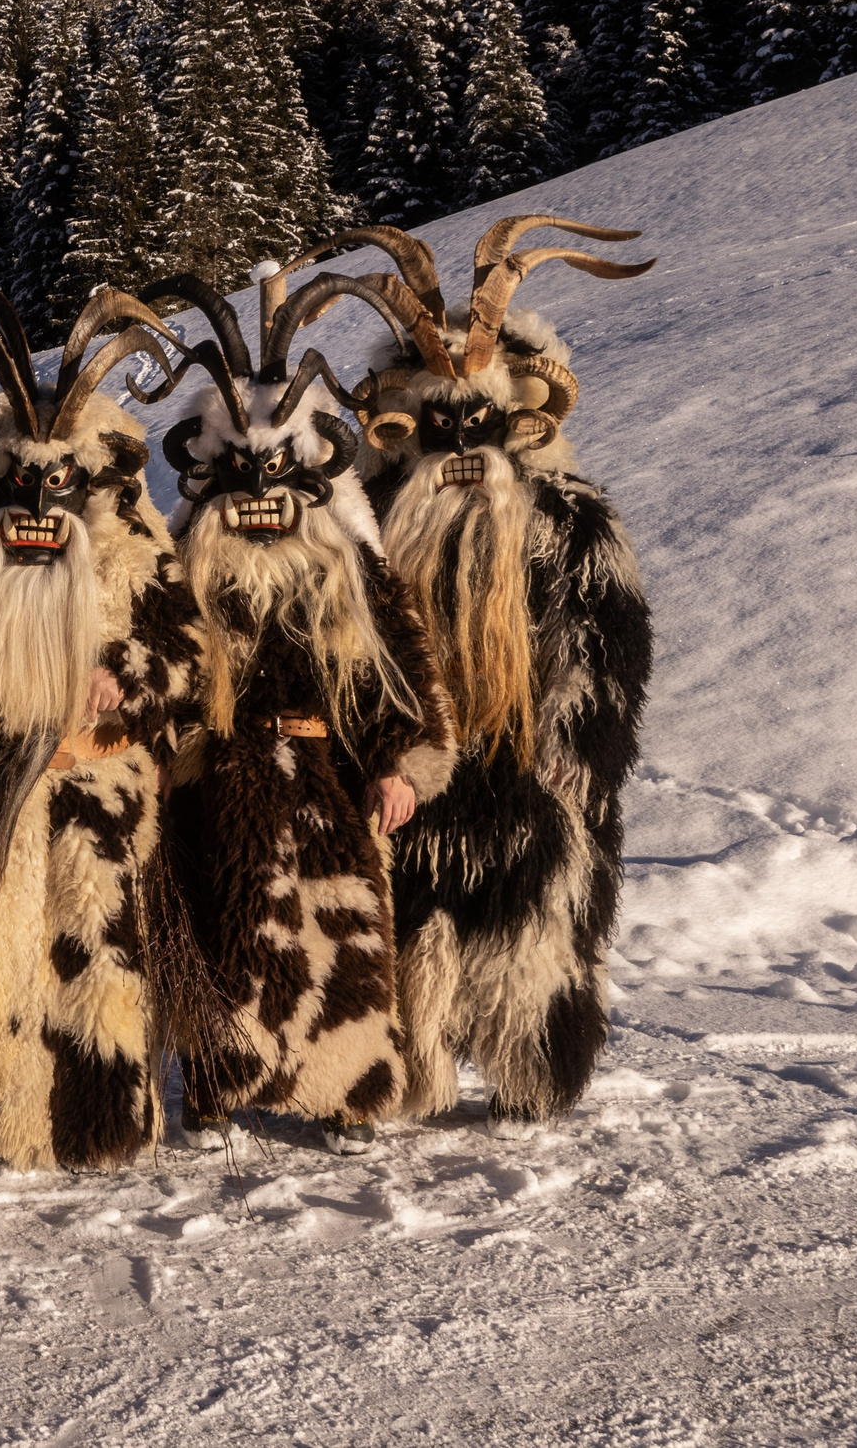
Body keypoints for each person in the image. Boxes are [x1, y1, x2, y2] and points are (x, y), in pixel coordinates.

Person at [328, 219, 655, 1135]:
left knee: (528, 930)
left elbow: (606, 639)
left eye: (482, 422)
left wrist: (577, 745)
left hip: (527, 772)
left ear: (519, 419)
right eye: (441, 423)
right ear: (408, 423)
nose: (462, 442)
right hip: (416, 775)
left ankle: (530, 1067)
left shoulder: (566, 520)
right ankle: (401, 1072)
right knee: (411, 927)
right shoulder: (375, 524)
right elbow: (352, 653)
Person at [136, 263, 458, 1155]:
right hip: (221, 775)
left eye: (279, 474)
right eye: (241, 475)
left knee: (343, 930)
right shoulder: (187, 568)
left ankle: (346, 1090)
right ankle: (213, 1086)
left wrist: (403, 761)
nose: (262, 500)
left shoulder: (349, 570)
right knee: (222, 925)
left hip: (324, 775)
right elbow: (160, 662)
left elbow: (403, 672)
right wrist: (157, 745)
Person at [0, 292, 209, 1171]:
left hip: (102, 793)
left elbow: (188, 658)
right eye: (21, 482)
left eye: (59, 484)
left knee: (99, 960)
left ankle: (98, 1118)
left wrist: (130, 676)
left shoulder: (137, 552)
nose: (38, 505)